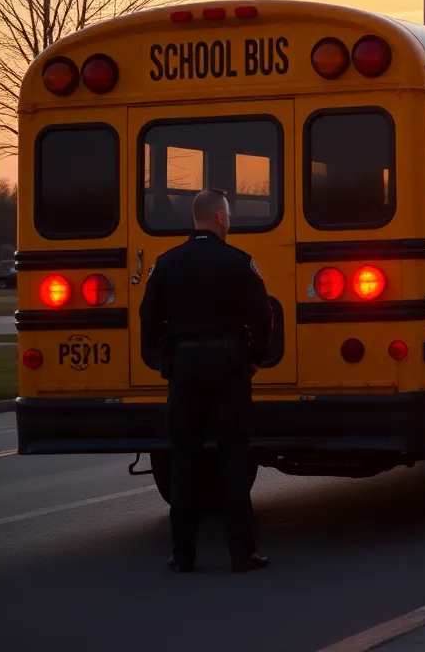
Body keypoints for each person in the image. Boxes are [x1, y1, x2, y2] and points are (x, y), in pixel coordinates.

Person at [139, 189, 273, 573]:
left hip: (184, 368)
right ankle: (241, 552)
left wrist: (162, 362)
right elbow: (263, 318)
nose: (228, 221)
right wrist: (253, 360)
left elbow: (148, 317)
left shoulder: (166, 264)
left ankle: (182, 554)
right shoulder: (238, 263)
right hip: (228, 368)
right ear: (218, 218)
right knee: (234, 458)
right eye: (227, 216)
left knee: (184, 461)